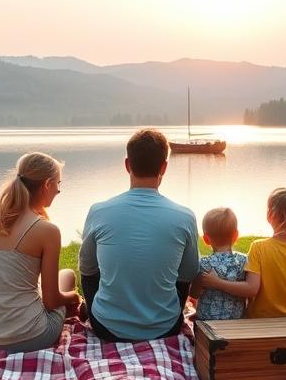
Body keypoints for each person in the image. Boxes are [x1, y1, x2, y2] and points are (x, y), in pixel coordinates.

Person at [79, 129, 201, 342]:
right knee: (178, 275)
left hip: (106, 328)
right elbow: (188, 273)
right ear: (164, 167)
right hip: (165, 327)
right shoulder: (184, 216)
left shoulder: (99, 211)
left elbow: (87, 269)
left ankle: (98, 311)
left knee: (91, 270)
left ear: (127, 165)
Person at [0, 152, 81, 352]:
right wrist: (74, 298)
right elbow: (51, 301)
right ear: (46, 185)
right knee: (68, 276)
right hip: (30, 337)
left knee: (51, 282)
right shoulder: (48, 231)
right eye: (58, 184)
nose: (58, 191)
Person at [199, 188, 286, 318]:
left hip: (260, 319)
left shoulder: (259, 248)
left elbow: (251, 288)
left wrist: (217, 282)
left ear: (270, 215)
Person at [190, 207, 247, 321]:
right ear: (236, 236)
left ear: (206, 239)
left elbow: (194, 293)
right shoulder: (243, 261)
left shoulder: (204, 264)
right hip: (236, 320)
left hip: (207, 322)